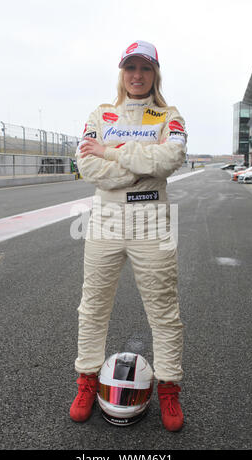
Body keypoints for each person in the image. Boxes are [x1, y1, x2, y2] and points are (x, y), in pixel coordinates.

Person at [69, 40, 187, 432]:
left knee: (164, 310)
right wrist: (135, 161)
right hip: (105, 218)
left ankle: (169, 385)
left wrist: (111, 152)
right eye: (130, 68)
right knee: (93, 305)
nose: (137, 75)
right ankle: (86, 379)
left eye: (145, 68)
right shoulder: (100, 113)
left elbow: (169, 160)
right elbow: (87, 166)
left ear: (155, 73)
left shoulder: (168, 115)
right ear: (121, 72)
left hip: (154, 218)